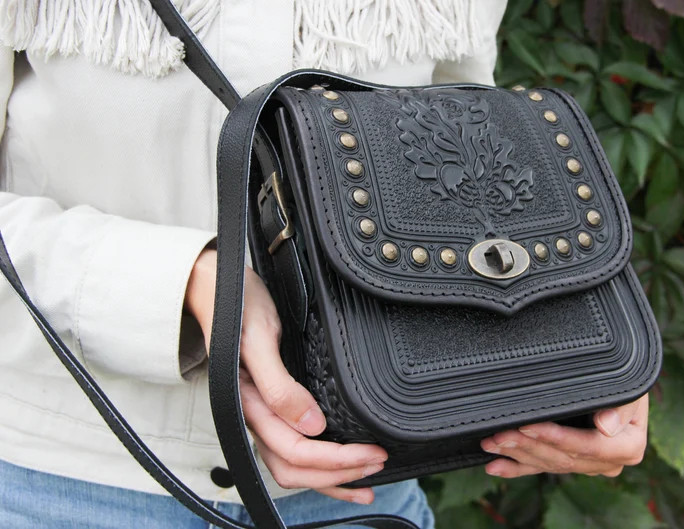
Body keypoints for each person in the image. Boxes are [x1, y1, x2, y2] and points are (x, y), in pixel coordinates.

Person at [0, 1, 649, 527]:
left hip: (362, 482)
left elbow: (473, 149)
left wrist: (580, 366)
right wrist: (188, 283)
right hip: (66, 481)